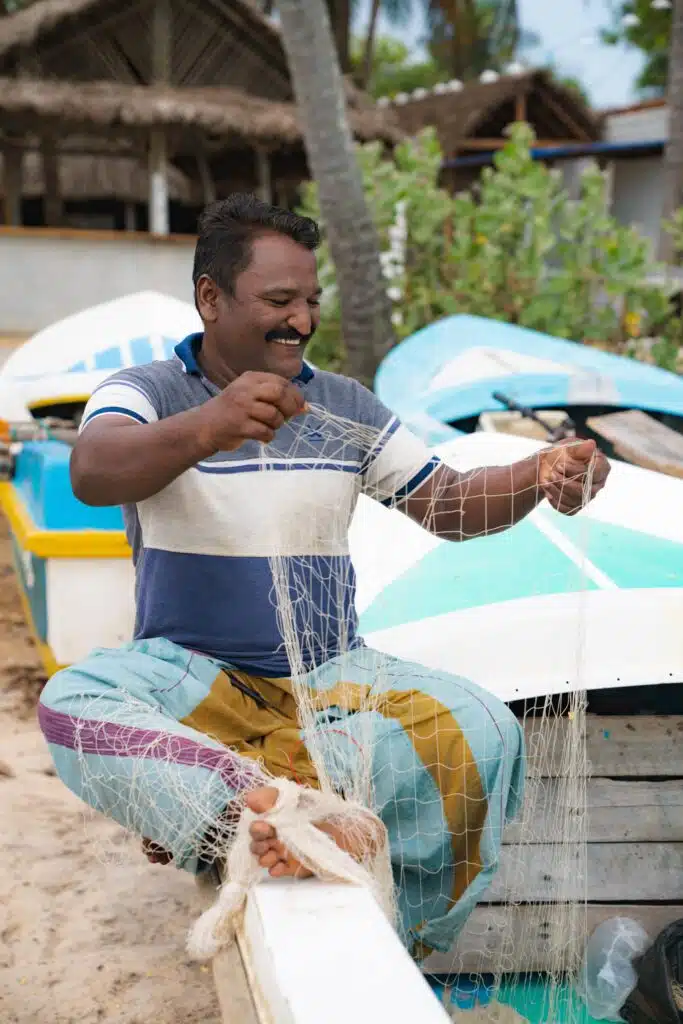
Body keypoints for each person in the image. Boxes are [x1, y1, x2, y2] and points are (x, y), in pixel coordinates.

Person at [38, 194, 610, 960]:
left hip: (332, 676)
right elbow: (94, 471)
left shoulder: (344, 405)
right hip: (190, 677)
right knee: (72, 703)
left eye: (310, 301)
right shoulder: (147, 391)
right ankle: (263, 811)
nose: (301, 320)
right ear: (211, 298)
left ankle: (325, 862)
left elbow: (448, 506)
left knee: (482, 725)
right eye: (279, 301)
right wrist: (214, 423)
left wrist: (536, 473)